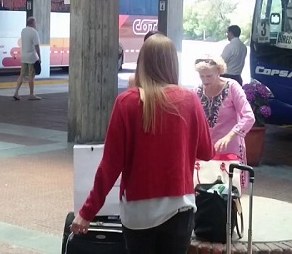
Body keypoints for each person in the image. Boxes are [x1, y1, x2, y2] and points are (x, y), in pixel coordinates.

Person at [72, 34, 215, 253]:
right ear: (172, 63)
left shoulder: (127, 102)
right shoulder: (190, 100)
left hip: (138, 214)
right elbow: (207, 152)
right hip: (180, 209)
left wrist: (87, 212)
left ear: (142, 63)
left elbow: (110, 166)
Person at [194, 57, 255, 191]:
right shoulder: (197, 91)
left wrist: (229, 136)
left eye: (209, 76)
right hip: (206, 149)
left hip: (230, 148)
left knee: (229, 190)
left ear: (219, 71)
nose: (205, 80)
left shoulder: (232, 87)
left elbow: (249, 116)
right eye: (201, 76)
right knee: (203, 188)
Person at [13, 16, 41, 101]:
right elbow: (37, 46)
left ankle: (16, 92)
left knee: (22, 75)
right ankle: (31, 94)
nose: (36, 24)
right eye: (35, 22)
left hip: (24, 56)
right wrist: (39, 57)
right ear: (32, 23)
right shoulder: (34, 32)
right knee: (31, 76)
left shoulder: (23, 31)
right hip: (31, 57)